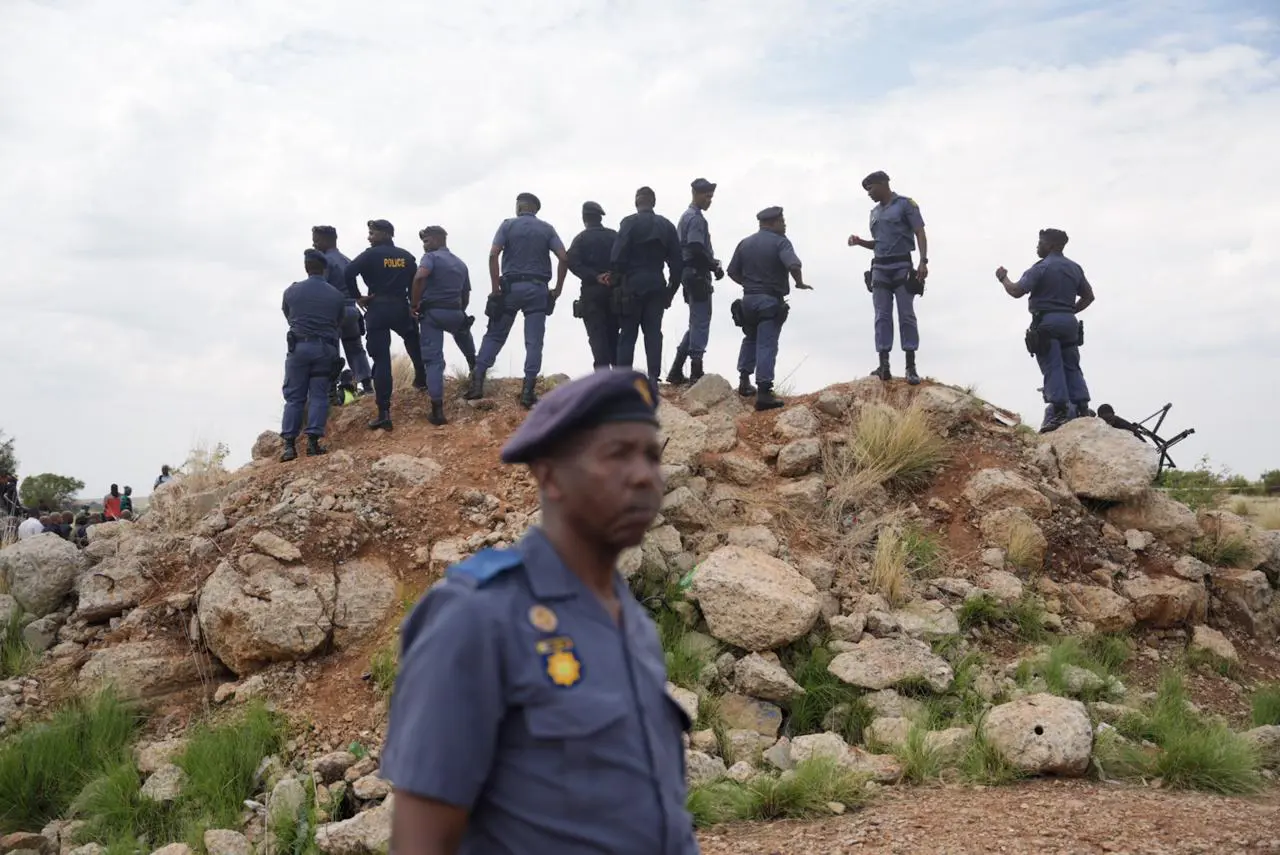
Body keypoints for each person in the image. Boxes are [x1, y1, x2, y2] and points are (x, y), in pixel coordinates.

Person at [382, 368, 698, 855]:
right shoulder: (477, 616)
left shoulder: (631, 620)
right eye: (617, 453)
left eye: (651, 455)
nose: (643, 475)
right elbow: (423, 840)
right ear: (549, 475)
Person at [466, 192, 570, 409]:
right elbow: (564, 257)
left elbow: (493, 255)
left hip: (511, 288)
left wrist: (495, 288)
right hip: (537, 290)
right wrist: (557, 289)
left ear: (519, 207)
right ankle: (527, 392)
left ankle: (477, 384)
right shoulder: (547, 229)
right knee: (534, 341)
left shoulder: (507, 226)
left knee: (495, 335)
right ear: (535, 209)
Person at [996, 227, 1095, 433]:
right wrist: (1069, 311)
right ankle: (1083, 408)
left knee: (1053, 366)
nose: (1037, 247)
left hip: (1047, 323)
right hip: (1069, 323)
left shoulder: (1041, 268)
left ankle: (1059, 412)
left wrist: (1003, 278)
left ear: (1050, 245)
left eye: (1040, 243)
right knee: (1072, 365)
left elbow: (1016, 291)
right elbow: (1089, 297)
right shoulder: (1075, 268)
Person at [847, 171, 929, 385]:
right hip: (880, 267)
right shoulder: (874, 213)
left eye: (871, 188)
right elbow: (879, 243)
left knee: (906, 315)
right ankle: (884, 365)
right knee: (881, 316)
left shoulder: (905, 205)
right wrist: (860, 242)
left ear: (883, 184)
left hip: (902, 265)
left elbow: (919, 232)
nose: (869, 193)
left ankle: (910, 366)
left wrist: (923, 261)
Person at [344, 219, 428, 431]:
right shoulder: (406, 256)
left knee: (381, 361)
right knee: (412, 339)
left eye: (372, 233)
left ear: (386, 234)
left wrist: (358, 297)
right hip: (401, 306)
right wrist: (413, 304)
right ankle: (421, 377)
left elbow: (348, 272)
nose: (369, 237)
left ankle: (384, 413)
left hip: (378, 308)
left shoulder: (369, 255)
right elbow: (416, 280)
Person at [727, 206, 812, 411]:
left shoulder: (745, 243)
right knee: (767, 343)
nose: (784, 224)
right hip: (769, 301)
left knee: (750, 338)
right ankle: (764, 392)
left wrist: (750, 285)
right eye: (782, 221)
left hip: (748, 300)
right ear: (772, 223)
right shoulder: (781, 242)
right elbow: (793, 265)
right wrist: (799, 283)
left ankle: (744, 381)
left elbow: (732, 272)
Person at [610, 186, 683, 391]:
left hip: (632, 284)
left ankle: (623, 380)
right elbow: (677, 263)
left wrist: (617, 277)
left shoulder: (629, 223)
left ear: (636, 202)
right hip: (656, 283)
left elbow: (617, 257)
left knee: (628, 333)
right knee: (653, 333)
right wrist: (671, 290)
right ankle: (653, 377)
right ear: (653, 202)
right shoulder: (666, 225)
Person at [281, 248, 346, 459]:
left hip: (298, 348)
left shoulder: (291, 291)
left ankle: (289, 446)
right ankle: (312, 443)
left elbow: (288, 315)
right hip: (324, 350)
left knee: (294, 397)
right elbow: (338, 322)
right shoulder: (336, 295)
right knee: (319, 394)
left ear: (306, 267)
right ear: (324, 268)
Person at [411, 225, 478, 426]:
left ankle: (437, 411)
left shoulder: (430, 258)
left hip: (432, 313)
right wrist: (459, 309)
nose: (425, 244)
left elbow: (420, 276)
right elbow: (466, 293)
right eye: (423, 241)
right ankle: (476, 371)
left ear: (440, 239)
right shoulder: (460, 263)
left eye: (427, 240)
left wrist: (414, 304)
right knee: (464, 334)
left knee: (434, 361)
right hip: (455, 311)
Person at [668, 178, 723, 385]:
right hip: (697, 273)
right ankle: (696, 371)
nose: (709, 201)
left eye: (711, 197)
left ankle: (675, 369)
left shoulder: (685, 217)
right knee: (701, 321)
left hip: (689, 273)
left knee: (695, 323)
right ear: (696, 194)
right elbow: (696, 247)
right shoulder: (696, 219)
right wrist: (713, 266)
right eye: (707, 196)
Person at [312, 224, 374, 396]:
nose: (314, 244)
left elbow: (321, 288)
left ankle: (331, 390)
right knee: (355, 348)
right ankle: (367, 385)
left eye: (316, 240)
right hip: (352, 311)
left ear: (326, 240)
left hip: (333, 312)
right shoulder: (347, 260)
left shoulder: (324, 262)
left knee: (331, 350)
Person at [566, 201, 620, 370]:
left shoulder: (580, 239)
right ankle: (620, 377)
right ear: (600, 217)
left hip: (591, 293)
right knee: (614, 335)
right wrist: (613, 275)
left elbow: (572, 262)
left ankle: (603, 380)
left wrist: (595, 277)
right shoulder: (614, 236)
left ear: (584, 219)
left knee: (597, 337)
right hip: (614, 292)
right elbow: (624, 257)